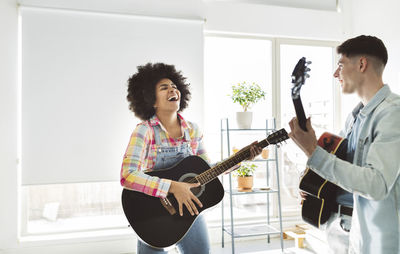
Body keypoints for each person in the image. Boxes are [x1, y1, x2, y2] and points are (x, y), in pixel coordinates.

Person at [120, 62, 261, 254]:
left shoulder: (192, 130)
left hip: (190, 211)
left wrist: (239, 158)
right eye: (164, 87)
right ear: (151, 100)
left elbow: (207, 169)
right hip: (152, 214)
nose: (173, 89)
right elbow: (127, 176)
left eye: (175, 86)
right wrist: (172, 187)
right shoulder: (145, 131)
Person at [289, 35, 400, 254]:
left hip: (377, 241)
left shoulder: (392, 114)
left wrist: (312, 151)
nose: (335, 73)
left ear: (361, 64)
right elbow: (338, 165)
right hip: (343, 230)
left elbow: (376, 185)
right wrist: (312, 180)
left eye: (340, 65)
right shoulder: (355, 117)